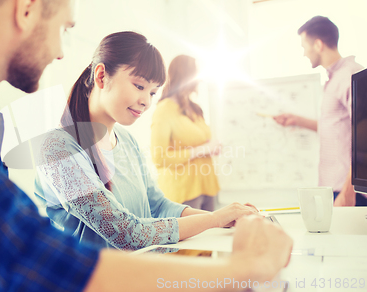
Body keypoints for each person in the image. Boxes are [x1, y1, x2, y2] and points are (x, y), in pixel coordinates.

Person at [0, 0, 292, 291]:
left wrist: (223, 225)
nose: (58, 52)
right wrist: (237, 271)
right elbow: (19, 254)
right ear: (28, 8)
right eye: (65, 29)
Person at [33, 32, 260, 250]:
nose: (145, 102)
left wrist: (226, 218)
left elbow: (159, 206)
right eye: (139, 86)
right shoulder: (58, 147)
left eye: (152, 93)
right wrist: (215, 219)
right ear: (101, 76)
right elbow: (126, 234)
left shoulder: (126, 140)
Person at [273, 16, 367, 206]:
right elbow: (338, 128)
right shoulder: (335, 78)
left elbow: (364, 136)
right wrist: (297, 120)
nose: (304, 53)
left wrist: (349, 191)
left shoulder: (350, 74)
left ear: (317, 44)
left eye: (304, 46)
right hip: (335, 187)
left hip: (348, 191)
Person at [151, 55, 220, 211]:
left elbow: (203, 142)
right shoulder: (164, 110)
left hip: (207, 187)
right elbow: (159, 158)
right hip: (184, 193)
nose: (200, 81)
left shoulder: (194, 108)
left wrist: (211, 147)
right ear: (186, 76)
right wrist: (202, 149)